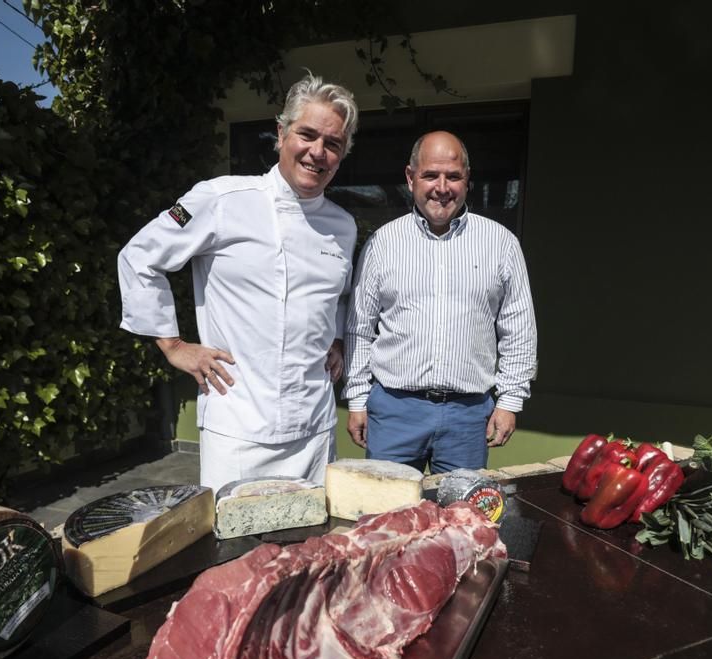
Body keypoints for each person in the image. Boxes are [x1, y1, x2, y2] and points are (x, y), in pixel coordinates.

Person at [117, 72, 359, 492]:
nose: (317, 152)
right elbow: (139, 257)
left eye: (333, 143)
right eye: (307, 134)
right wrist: (173, 346)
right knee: (236, 551)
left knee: (308, 550)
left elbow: (336, 296)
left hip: (314, 427)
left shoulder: (344, 225)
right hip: (238, 427)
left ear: (342, 153)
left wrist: (336, 339)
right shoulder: (220, 199)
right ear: (281, 133)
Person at [343, 131, 537, 474]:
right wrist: (358, 398)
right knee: (388, 518)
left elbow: (518, 328)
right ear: (410, 177)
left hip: (469, 416)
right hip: (394, 412)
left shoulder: (500, 243)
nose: (442, 187)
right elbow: (359, 327)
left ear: (467, 180)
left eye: (454, 176)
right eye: (431, 175)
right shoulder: (382, 244)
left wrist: (510, 401)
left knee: (461, 520)